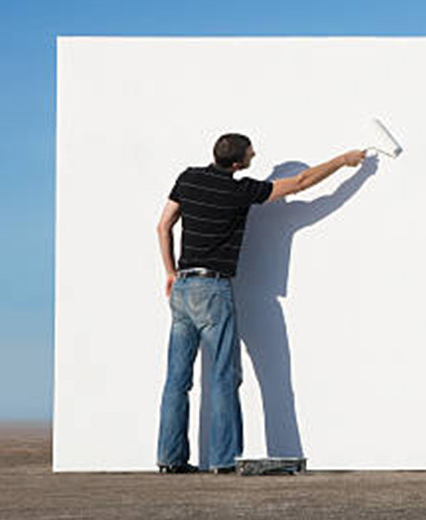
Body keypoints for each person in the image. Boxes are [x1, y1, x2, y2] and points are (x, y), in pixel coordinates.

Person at [154, 133, 366, 474]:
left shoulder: (188, 177)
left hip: (182, 288)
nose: (255, 154)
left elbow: (163, 226)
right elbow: (300, 183)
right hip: (214, 290)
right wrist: (344, 161)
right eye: (251, 152)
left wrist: (169, 272)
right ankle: (223, 461)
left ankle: (169, 459)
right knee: (224, 376)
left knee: (176, 379)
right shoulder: (240, 191)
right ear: (238, 163)